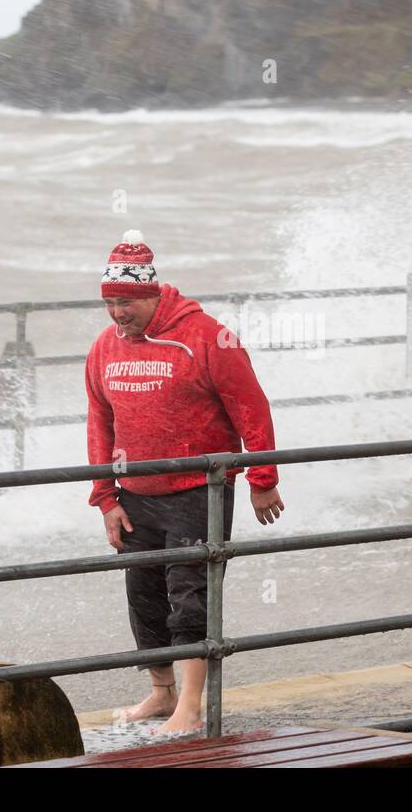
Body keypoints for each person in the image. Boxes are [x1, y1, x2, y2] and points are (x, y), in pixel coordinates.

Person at [85, 230, 285, 735]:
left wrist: (262, 478)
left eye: (126, 303)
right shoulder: (105, 347)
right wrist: (105, 497)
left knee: (191, 596)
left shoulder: (206, 337)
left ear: (154, 294)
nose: (117, 314)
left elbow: (251, 407)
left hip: (200, 491)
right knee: (144, 596)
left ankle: (191, 707)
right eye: (111, 304)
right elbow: (99, 422)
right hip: (136, 496)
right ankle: (161, 693)